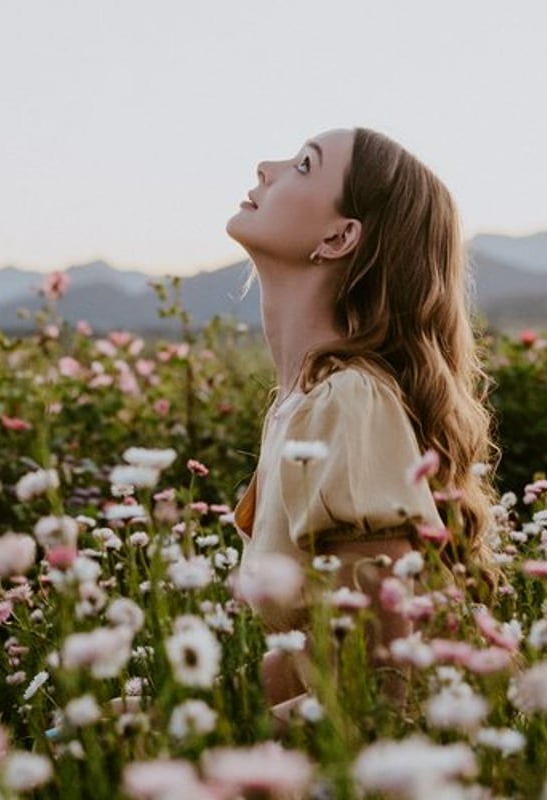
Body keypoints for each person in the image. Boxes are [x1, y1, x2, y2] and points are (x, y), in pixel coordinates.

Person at [225, 127, 497, 722]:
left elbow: (383, 693)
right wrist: (185, 710)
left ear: (339, 236)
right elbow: (314, 655)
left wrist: (209, 746)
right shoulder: (301, 405)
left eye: (303, 165)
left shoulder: (348, 402)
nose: (266, 167)